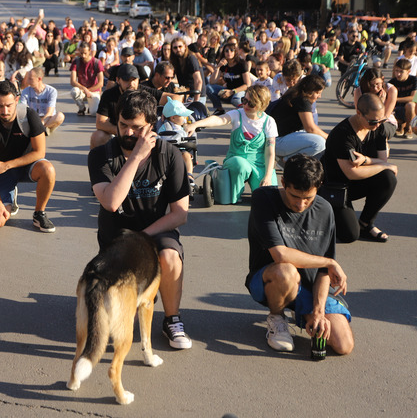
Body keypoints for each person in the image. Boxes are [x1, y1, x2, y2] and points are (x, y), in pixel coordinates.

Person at [87, 90, 192, 350]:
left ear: (151, 126)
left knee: (170, 256)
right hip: (116, 239)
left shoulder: (170, 155)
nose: (129, 133)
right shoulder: (101, 155)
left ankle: (172, 319)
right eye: (123, 125)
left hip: (155, 232)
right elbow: (111, 202)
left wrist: (143, 236)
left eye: (137, 127)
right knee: (118, 328)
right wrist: (134, 157)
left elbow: (180, 213)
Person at [245, 154, 354, 355]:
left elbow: (323, 271)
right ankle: (277, 318)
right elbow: (280, 255)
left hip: (309, 287)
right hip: (270, 280)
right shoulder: (263, 198)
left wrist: (318, 312)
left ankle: (304, 312)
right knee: (286, 271)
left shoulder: (325, 209)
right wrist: (329, 261)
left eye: (308, 198)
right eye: (295, 196)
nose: (301, 205)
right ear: (283, 182)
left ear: (319, 186)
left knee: (343, 345)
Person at [0, 80, 57, 233]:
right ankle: (9, 197)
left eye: (9, 105)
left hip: (27, 165)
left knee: (48, 169)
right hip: (1, 172)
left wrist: (7, 165)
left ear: (16, 100)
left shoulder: (29, 116)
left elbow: (40, 152)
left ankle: (39, 213)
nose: (4, 111)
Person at [322, 94, 399, 243]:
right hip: (335, 187)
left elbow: (382, 161)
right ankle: (325, 214)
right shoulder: (342, 134)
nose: (377, 125)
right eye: (372, 121)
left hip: (358, 182)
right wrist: (382, 165)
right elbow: (352, 173)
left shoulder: (379, 127)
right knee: (349, 235)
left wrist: (367, 160)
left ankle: (365, 223)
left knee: (388, 177)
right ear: (359, 113)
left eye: (381, 120)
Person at [186, 85, 278, 203]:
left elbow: (270, 152)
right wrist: (195, 124)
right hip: (236, 159)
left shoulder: (269, 122)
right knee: (241, 166)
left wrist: (268, 176)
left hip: (259, 163)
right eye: (244, 100)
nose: (245, 105)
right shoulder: (238, 114)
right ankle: (235, 192)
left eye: (251, 103)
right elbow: (219, 120)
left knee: (268, 198)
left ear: (262, 105)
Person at [269, 74, 328, 162]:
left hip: (274, 140)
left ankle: (286, 158)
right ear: (310, 91)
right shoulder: (302, 100)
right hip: (277, 142)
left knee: (314, 136)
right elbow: (310, 128)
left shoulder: (294, 93)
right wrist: (330, 138)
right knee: (320, 143)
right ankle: (288, 161)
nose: (319, 96)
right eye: (318, 93)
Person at [20, 67, 64, 134]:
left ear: (39, 79)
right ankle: (43, 130)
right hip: (33, 119)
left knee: (60, 116)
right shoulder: (25, 91)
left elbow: (50, 112)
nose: (27, 82)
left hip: (47, 119)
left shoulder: (51, 91)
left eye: (30, 79)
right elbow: (23, 109)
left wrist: (40, 124)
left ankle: (40, 129)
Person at [69, 42, 105, 116]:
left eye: (85, 53)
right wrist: (84, 89)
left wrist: (88, 91)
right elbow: (72, 81)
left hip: (94, 91)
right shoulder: (76, 61)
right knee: (74, 91)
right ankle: (81, 107)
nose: (83, 55)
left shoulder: (96, 62)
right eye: (81, 53)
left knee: (94, 113)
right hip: (82, 90)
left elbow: (101, 83)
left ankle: (91, 107)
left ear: (90, 51)